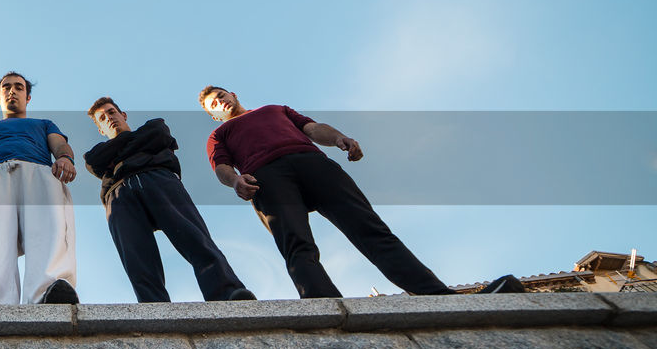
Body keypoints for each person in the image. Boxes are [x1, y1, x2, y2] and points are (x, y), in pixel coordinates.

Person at [199, 86, 524, 298]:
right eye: (214, 103)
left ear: (233, 94)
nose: (221, 101)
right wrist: (236, 182)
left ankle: (438, 297)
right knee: (297, 245)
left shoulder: (275, 109)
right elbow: (222, 167)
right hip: (267, 178)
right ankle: (324, 306)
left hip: (312, 162)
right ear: (214, 113)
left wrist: (339, 137)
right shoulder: (220, 133)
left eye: (222, 95)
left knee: (371, 229)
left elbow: (311, 129)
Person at [83, 97, 256, 303]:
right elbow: (94, 161)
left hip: (159, 179)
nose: (109, 118)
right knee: (137, 259)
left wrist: (116, 152)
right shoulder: (100, 151)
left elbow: (158, 134)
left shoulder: (153, 127)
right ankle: (154, 307)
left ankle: (227, 292)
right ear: (101, 130)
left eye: (112, 112)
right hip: (118, 194)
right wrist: (136, 144)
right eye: (102, 118)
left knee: (195, 239)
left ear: (123, 115)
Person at [0, 72, 78, 305]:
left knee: (49, 230)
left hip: (38, 172)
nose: (12, 91)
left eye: (18, 87)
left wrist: (65, 158)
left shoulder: (43, 124)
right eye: (6, 87)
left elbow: (59, 144)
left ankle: (48, 293)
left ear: (27, 97)